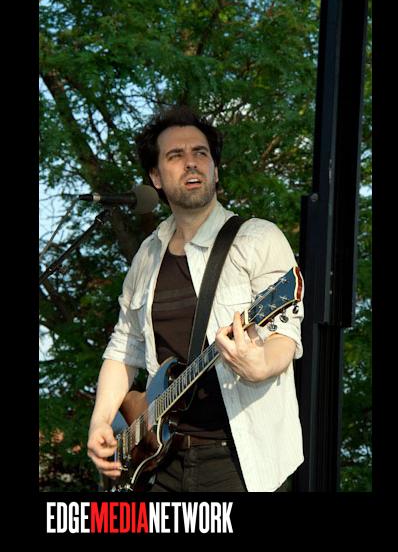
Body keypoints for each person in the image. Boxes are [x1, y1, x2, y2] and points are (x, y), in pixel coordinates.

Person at [87, 106, 304, 492]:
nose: (191, 163)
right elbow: (124, 348)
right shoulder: (147, 255)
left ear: (215, 171)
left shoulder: (257, 238)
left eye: (200, 153)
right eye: (176, 155)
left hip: (240, 462)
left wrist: (260, 364)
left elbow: (284, 337)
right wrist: (101, 420)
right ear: (155, 177)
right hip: (160, 464)